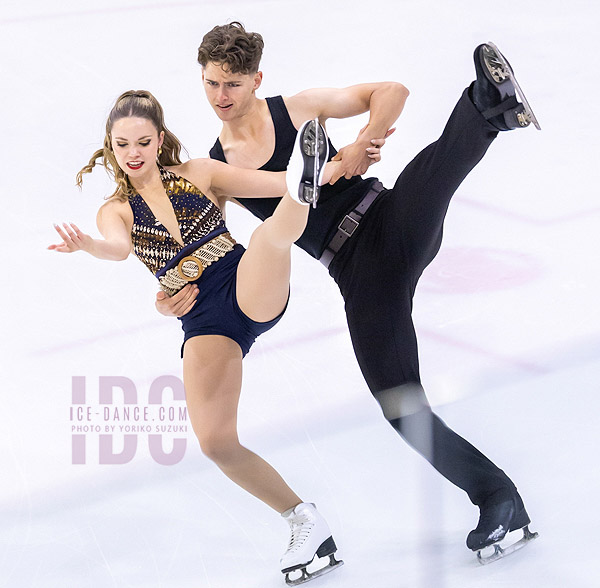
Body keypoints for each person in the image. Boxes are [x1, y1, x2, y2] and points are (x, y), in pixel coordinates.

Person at [156, 23, 540, 561]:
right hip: (358, 275)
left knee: (428, 180)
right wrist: (172, 294)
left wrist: (366, 139)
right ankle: (498, 497)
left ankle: (486, 104)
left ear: (256, 79)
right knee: (400, 405)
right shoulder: (217, 169)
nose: (221, 97)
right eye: (211, 83)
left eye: (233, 84)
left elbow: (391, 92)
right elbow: (211, 253)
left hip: (388, 218)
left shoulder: (296, 109)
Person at [48, 90, 348, 585]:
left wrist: (335, 164)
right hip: (203, 320)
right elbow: (118, 250)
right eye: (122, 144)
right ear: (111, 147)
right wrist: (88, 247)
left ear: (159, 139)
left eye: (143, 141)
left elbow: (271, 181)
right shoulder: (116, 210)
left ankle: (305, 189)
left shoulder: (201, 173)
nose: (134, 152)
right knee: (215, 442)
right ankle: (304, 522)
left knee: (270, 232)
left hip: (245, 280)